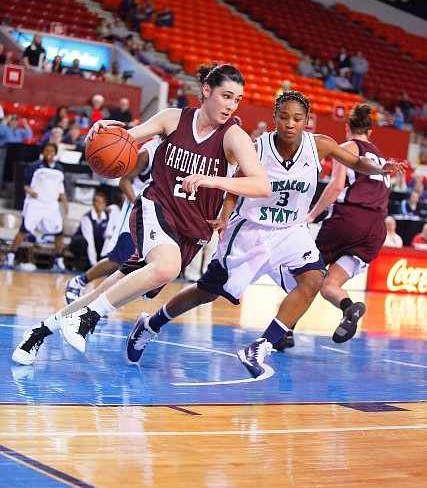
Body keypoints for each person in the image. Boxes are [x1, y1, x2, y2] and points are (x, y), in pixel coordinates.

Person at [122, 93, 403, 379]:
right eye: (283, 117)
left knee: (315, 279)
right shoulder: (257, 148)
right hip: (251, 229)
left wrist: (381, 167)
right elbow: (233, 186)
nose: (290, 124)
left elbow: (357, 163)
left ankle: (262, 345)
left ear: (307, 121)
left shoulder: (320, 144)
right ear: (274, 118)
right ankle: (151, 324)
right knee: (207, 292)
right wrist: (224, 217)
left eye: (297, 119)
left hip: (291, 231)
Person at [12, 62, 271, 366]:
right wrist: (99, 133)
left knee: (112, 287)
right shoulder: (174, 119)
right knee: (167, 267)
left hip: (191, 230)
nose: (231, 105)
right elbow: (124, 139)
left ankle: (39, 332)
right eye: (226, 96)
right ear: (206, 91)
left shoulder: (233, 136)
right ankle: (88, 319)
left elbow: (261, 185)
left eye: (237, 99)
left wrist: (212, 180)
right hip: (155, 206)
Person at [305, 103, 400, 345]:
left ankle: (284, 331)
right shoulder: (380, 157)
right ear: (371, 132)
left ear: (347, 127)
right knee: (329, 284)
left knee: (307, 274)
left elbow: (336, 186)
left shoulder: (347, 148)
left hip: (350, 220)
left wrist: (312, 215)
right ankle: (349, 308)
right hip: (376, 229)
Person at [64, 137, 162, 304]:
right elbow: (124, 181)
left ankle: (105, 301)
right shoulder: (148, 152)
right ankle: (79, 282)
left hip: (157, 212)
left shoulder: (176, 149)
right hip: (136, 210)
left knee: (156, 257)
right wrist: (138, 204)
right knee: (118, 259)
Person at [5, 142, 68, 272]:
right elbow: (25, 185)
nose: (49, 153)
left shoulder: (60, 169)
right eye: (46, 150)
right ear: (42, 152)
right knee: (24, 230)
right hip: (35, 204)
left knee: (59, 233)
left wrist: (65, 204)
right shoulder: (35, 167)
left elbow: (61, 190)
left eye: (51, 151)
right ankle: (10, 256)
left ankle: (59, 260)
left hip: (51, 205)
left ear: (55, 153)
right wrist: (30, 192)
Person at [67, 192, 118, 272]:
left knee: (110, 240)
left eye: (102, 202)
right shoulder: (87, 217)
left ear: (105, 204)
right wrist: (94, 264)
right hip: (80, 243)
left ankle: (104, 266)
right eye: (97, 201)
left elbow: (108, 234)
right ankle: (77, 266)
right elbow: (89, 240)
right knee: (82, 242)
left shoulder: (108, 215)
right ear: (93, 203)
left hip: (96, 242)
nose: (100, 204)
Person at [0, 114, 33, 190]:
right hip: (4, 152)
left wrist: (25, 124)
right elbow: (0, 131)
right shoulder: (5, 128)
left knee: (12, 170)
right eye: (12, 120)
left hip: (15, 153)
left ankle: (10, 187)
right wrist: (5, 122)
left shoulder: (19, 131)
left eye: (16, 121)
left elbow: (29, 134)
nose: (14, 122)